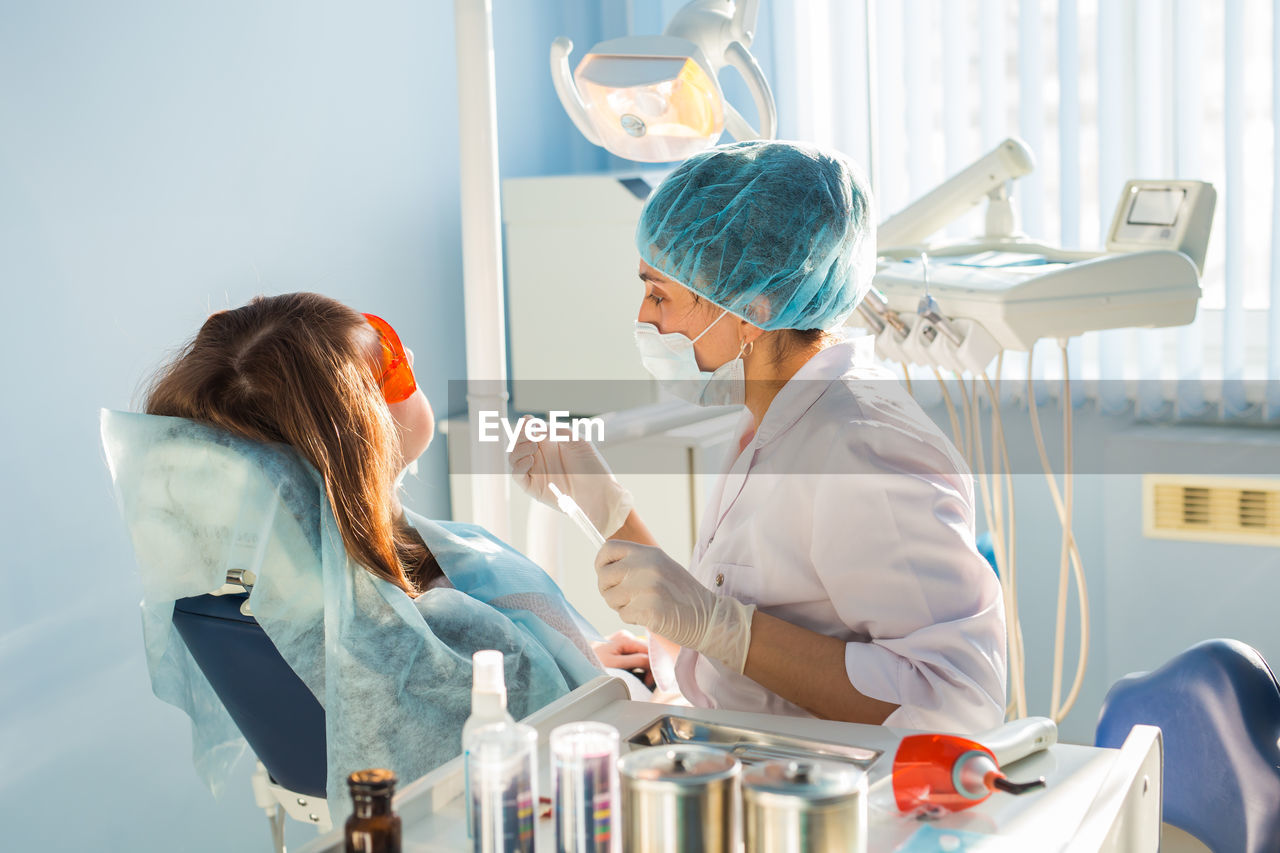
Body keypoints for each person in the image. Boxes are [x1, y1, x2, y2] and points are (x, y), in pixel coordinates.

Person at [510, 140, 1007, 733]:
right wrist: (601, 503)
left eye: (659, 293)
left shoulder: (860, 450)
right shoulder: (771, 417)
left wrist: (716, 628)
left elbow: (955, 702)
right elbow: (721, 620)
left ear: (751, 309)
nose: (645, 316)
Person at [110, 292, 643, 806]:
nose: (409, 355)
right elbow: (591, 737)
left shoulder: (277, 606)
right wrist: (610, 670)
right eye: (389, 362)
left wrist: (570, 652)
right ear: (360, 431)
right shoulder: (439, 636)